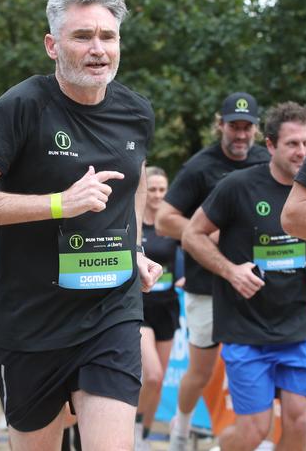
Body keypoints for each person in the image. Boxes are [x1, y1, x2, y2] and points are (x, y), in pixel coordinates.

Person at [0, 0, 162, 450]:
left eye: (108, 37)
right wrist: (61, 203)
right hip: (32, 323)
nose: (98, 49)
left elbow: (136, 177)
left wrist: (137, 246)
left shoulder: (136, 113)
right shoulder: (20, 107)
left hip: (112, 312)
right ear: (52, 45)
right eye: (83, 36)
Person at [182, 102, 306, 451]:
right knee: (254, 431)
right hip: (246, 327)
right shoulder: (237, 186)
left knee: (300, 420)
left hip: (298, 324)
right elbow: (192, 235)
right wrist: (230, 270)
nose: (302, 151)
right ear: (271, 145)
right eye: (292, 143)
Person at [156, 92, 270, 450]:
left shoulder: (266, 160)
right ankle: (181, 428)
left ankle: (250, 434)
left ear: (256, 128)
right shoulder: (199, 167)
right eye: (233, 126)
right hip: (206, 283)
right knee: (202, 370)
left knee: (256, 363)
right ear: (220, 125)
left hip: (254, 282)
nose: (240, 134)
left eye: (247, 127)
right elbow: (163, 221)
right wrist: (206, 230)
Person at [135, 166, 180, 451]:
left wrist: (189, 276)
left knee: (159, 381)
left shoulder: (169, 224)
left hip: (168, 306)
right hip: (140, 307)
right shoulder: (136, 224)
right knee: (151, 374)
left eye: (163, 190)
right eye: (152, 189)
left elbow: (191, 248)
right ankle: (132, 428)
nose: (157, 195)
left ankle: (143, 431)